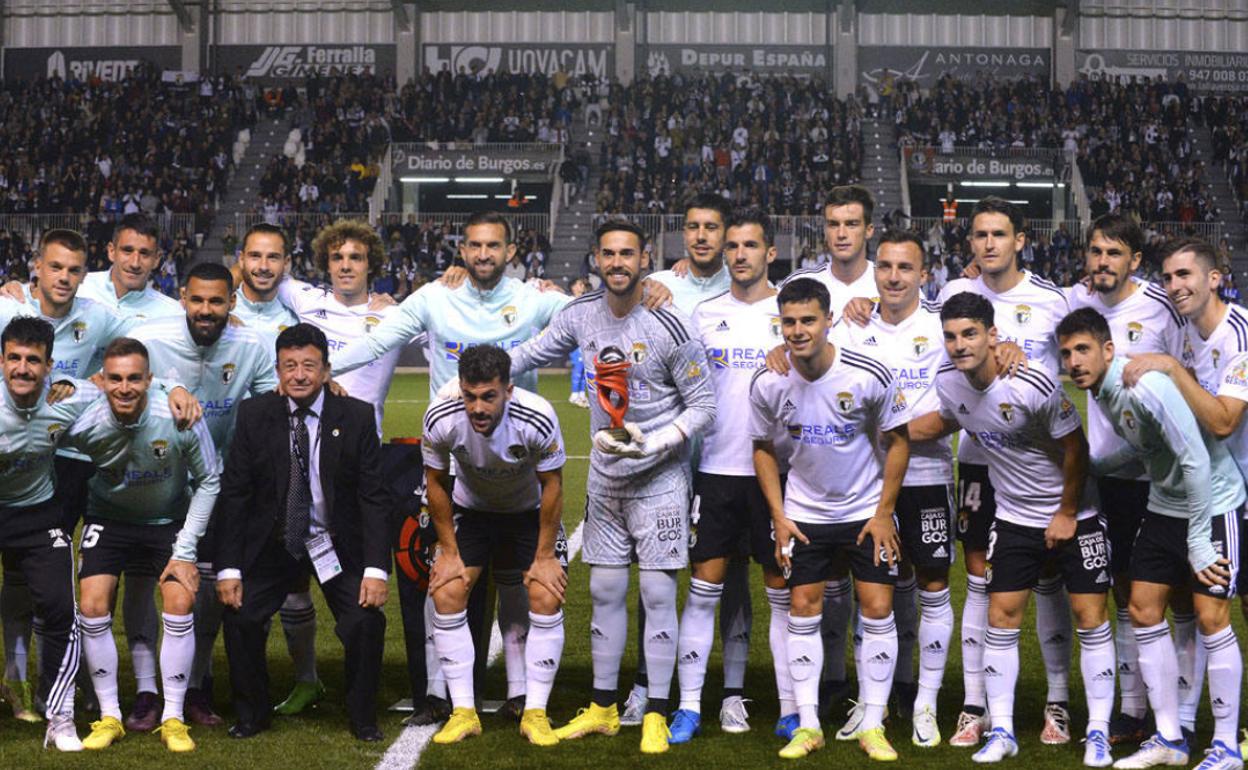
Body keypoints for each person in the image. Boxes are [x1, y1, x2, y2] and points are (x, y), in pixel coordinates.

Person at [507, 220, 715, 755]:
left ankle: (656, 711)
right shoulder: (579, 316)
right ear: (596, 260)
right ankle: (602, 707)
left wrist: (659, 440)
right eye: (608, 254)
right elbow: (530, 353)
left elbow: (705, 406)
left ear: (645, 258)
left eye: (628, 254)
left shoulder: (672, 324)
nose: (618, 263)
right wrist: (481, 375)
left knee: (658, 593)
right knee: (602, 592)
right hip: (605, 480)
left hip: (662, 478)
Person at [912, 292, 1113, 766]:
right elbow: (947, 420)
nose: (959, 345)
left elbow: (1076, 448)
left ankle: (1099, 731)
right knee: (1001, 618)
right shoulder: (948, 383)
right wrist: (887, 430)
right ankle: (1001, 730)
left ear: (992, 335)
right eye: (951, 336)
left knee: (1090, 618)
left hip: (1076, 516)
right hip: (1014, 518)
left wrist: (1066, 512)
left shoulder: (1031, 382)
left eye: (969, 334)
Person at [1059, 307, 1242, 770]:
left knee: (1210, 616)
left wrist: (1199, 541)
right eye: (1066, 353)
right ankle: (1169, 738)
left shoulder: (1144, 386)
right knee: (1141, 607)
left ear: (1107, 350)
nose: (1074, 361)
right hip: (1164, 504)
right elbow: (1146, 452)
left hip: (1214, 503)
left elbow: (1197, 461)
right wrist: (1092, 469)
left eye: (1083, 349)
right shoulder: (1102, 391)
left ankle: (1224, 746)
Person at [930, 198, 1075, 748]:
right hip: (977, 457)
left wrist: (1021, 357)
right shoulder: (951, 295)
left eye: (999, 234)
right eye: (979, 234)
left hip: (1036, 466)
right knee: (983, 581)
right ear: (970, 242)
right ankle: (976, 704)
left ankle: (1057, 701)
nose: (989, 243)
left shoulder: (1049, 300)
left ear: (1021, 240)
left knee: (1048, 579)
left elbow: (1071, 369)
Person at [750, 277, 910, 762]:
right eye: (789, 322)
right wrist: (778, 516)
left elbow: (898, 440)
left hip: (865, 511)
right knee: (803, 609)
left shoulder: (867, 374)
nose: (798, 331)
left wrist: (884, 513)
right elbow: (760, 448)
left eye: (808, 320)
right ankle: (809, 724)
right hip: (804, 514)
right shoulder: (769, 381)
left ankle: (874, 722)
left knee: (878, 609)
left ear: (828, 320)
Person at [215, 323, 390, 742]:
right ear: (277, 370)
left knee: (366, 621)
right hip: (274, 544)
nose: (298, 375)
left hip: (334, 542)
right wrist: (228, 569)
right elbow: (235, 494)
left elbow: (374, 498)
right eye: (289, 366)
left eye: (308, 366)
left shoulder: (357, 416)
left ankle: (362, 716)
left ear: (327, 370)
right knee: (240, 615)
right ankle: (252, 714)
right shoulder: (255, 414)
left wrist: (376, 569)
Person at [128, 262, 279, 726]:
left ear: (233, 302)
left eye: (217, 301)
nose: (206, 310)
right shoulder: (151, 337)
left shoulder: (252, 345)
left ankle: (197, 684)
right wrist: (166, 383)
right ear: (182, 299)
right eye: (197, 300)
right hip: (156, 480)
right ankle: (146, 691)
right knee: (140, 583)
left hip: (219, 486)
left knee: (207, 585)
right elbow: (114, 379)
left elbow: (270, 405)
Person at [1118, 237, 1248, 768]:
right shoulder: (1192, 335)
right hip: (1216, 492)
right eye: (1168, 277)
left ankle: (1225, 740)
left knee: (1224, 611)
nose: (1175, 287)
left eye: (1185, 276)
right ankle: (1183, 731)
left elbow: (1221, 420)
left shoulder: (1238, 333)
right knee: (1192, 610)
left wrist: (1171, 369)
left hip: (1236, 495)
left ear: (1214, 277)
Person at [622, 193, 750, 728]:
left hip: (725, 456)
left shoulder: (744, 285)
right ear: (681, 233)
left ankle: (732, 691)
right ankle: (648, 684)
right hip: (669, 455)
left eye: (712, 228)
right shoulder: (660, 287)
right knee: (658, 576)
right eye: (692, 226)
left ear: (727, 235)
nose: (701, 236)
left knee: (733, 574)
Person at [1065, 214, 1188, 746]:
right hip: (1108, 475)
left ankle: (1178, 712)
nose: (1103, 262)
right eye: (1096, 252)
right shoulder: (1075, 303)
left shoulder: (1160, 308)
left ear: (1135, 261)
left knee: (1172, 597)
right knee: (1122, 591)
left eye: (1114, 253)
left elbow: (1187, 377)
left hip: (1162, 478)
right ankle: (1133, 709)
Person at [831, 230, 954, 748]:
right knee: (875, 590)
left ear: (924, 275)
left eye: (906, 267)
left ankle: (924, 701)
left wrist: (894, 431)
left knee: (931, 585)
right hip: (866, 484)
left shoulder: (943, 328)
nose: (894, 277)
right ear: (874, 271)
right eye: (885, 266)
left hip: (926, 478)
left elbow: (953, 411)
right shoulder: (855, 326)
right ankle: (874, 697)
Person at [670, 208, 787, 744]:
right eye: (733, 245)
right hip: (715, 471)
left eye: (750, 246)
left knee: (783, 595)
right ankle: (692, 705)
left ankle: (787, 705)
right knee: (703, 590)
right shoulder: (704, 314)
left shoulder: (793, 311)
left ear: (770, 253)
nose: (739, 254)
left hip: (777, 477)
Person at [70, 338, 219, 753]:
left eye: (134, 378)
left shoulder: (179, 416)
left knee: (179, 600)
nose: (124, 388)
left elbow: (210, 479)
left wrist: (186, 549)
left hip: (165, 521)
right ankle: (110, 716)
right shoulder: (85, 421)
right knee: (93, 604)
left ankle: (173, 716)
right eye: (115, 379)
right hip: (108, 519)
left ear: (150, 380)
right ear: (101, 380)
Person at [422, 345, 568, 747]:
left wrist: (544, 557)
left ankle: (535, 713)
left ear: (508, 389)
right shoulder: (442, 415)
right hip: (474, 512)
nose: (477, 408)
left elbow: (552, 484)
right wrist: (449, 552)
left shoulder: (536, 416)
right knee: (447, 591)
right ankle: (464, 712)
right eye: (470, 396)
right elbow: (435, 482)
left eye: (488, 396)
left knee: (545, 595)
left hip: (527, 513)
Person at [0, 317, 107, 751]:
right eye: (14, 359)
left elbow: (125, 390)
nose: (22, 369)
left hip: (38, 514)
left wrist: (172, 392)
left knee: (61, 608)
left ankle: (59, 717)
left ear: (49, 367)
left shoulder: (70, 396)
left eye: (33, 361)